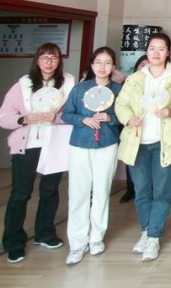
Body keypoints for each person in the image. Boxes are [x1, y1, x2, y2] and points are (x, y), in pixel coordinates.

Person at [0, 43, 75, 263]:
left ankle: (45, 233)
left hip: (54, 144)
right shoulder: (23, 85)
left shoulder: (68, 84)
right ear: (37, 60)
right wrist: (24, 119)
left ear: (60, 61)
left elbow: (73, 114)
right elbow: (2, 117)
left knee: (50, 191)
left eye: (54, 58)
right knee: (20, 193)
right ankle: (13, 241)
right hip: (27, 145)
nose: (49, 62)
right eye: (44, 58)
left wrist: (55, 118)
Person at [115, 33, 171, 262]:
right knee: (141, 191)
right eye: (152, 48)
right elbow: (121, 103)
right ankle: (145, 231)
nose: (156, 53)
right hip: (138, 142)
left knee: (162, 191)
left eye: (161, 49)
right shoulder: (135, 79)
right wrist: (128, 118)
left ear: (168, 53)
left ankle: (154, 236)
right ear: (147, 52)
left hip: (164, 143)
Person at [61, 47, 122, 265]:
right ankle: (77, 242)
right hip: (80, 144)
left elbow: (126, 115)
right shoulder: (79, 89)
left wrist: (110, 117)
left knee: (101, 191)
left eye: (107, 63)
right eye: (98, 62)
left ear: (113, 66)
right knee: (78, 193)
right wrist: (83, 120)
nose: (102, 67)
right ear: (92, 65)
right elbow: (67, 113)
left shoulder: (119, 90)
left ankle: (97, 237)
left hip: (107, 143)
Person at [119, 54, 149, 205]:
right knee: (131, 161)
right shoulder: (130, 82)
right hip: (133, 128)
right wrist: (128, 118)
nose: (145, 67)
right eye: (142, 64)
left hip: (150, 131)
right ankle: (130, 189)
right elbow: (121, 104)